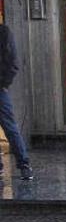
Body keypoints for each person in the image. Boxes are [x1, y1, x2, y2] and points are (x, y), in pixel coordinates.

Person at [0, 23, 34, 181]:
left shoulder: (3, 31)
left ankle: (24, 164)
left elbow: (12, 62)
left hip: (0, 89)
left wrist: (3, 83)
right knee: (11, 127)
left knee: (10, 128)